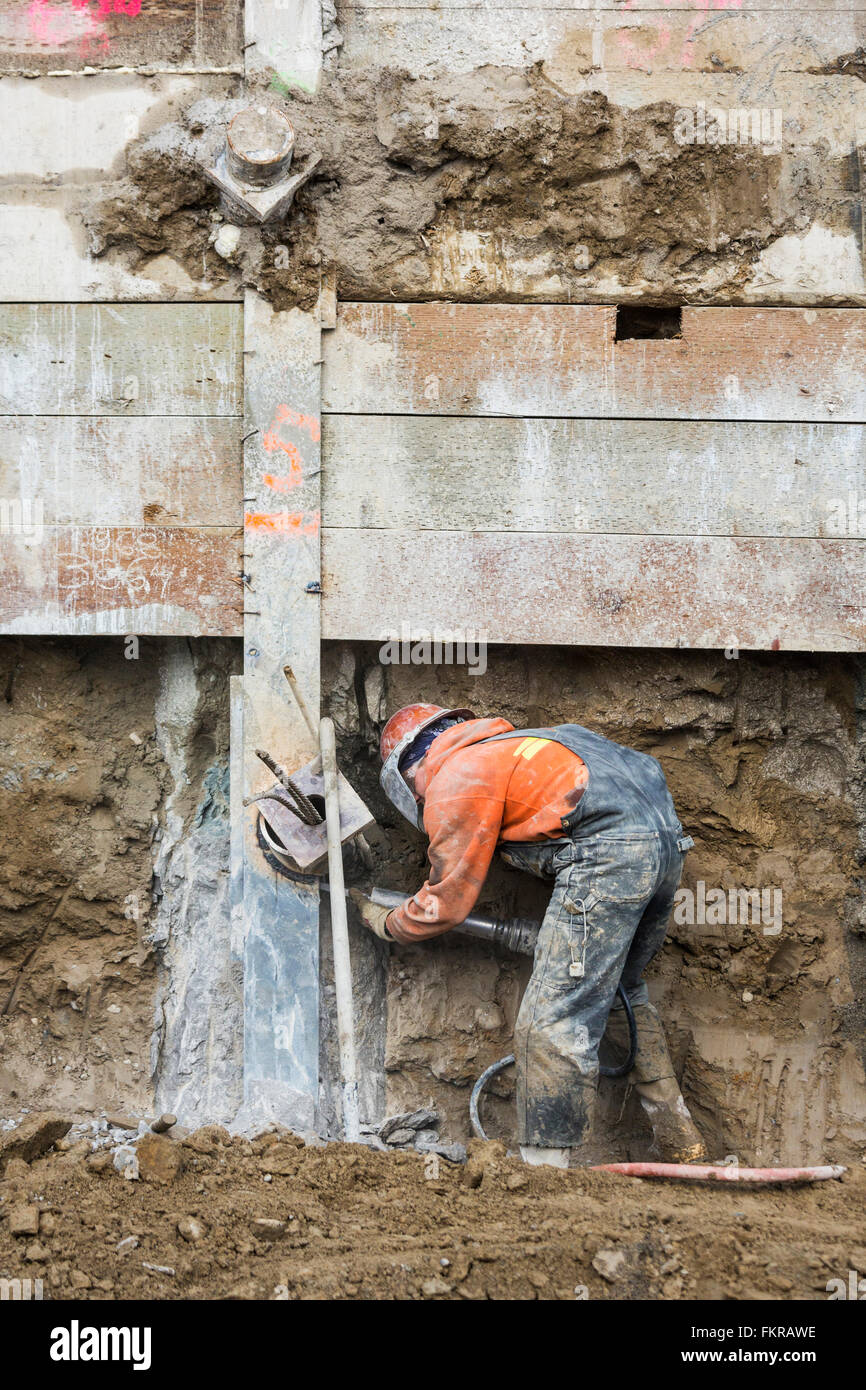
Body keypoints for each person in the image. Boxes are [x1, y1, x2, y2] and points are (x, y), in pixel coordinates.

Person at [350, 703, 707, 1168]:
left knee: (552, 1017)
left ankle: (543, 1172)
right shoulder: (533, 742)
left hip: (608, 858)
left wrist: (387, 922)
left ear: (408, 770)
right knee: (623, 992)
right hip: (665, 849)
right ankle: (683, 1142)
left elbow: (446, 902)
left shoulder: (456, 776)